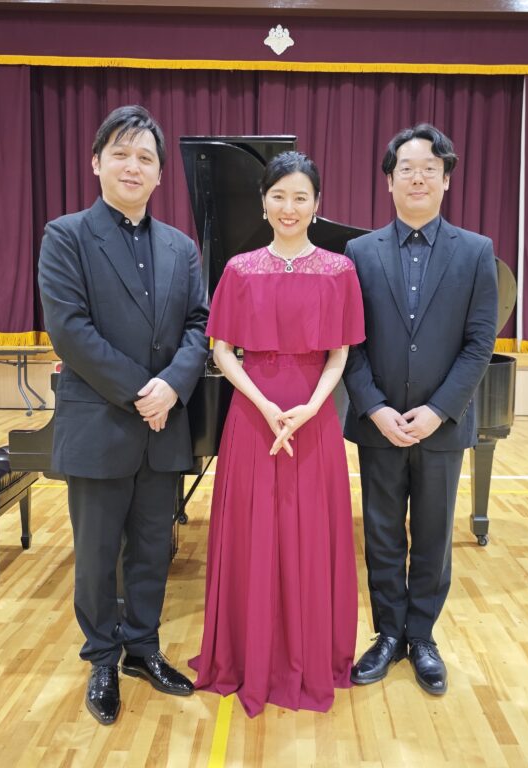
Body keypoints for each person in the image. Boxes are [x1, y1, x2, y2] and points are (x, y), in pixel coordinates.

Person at [38, 105, 209, 725]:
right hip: (102, 423)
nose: (132, 166)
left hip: (164, 427)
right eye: (121, 154)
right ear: (96, 163)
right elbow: (70, 330)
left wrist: (174, 386)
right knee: (96, 552)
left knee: (152, 549)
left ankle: (142, 647)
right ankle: (102, 657)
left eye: (145, 158)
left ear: (160, 174)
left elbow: (199, 324)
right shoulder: (66, 236)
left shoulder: (181, 247)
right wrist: (146, 391)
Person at [189, 151, 365, 717]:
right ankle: (248, 655)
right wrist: (264, 404)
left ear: (317, 204)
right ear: (263, 202)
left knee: (311, 534)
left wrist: (310, 407)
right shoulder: (239, 269)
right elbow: (222, 350)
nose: (289, 207)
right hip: (252, 414)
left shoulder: (340, 271)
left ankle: (309, 655)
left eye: (300, 197)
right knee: (252, 534)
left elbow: (339, 354)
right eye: (279, 196)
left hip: (314, 418)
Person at [343, 124, 498, 696]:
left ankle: (422, 636)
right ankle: (387, 634)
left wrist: (438, 409)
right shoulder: (359, 253)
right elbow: (350, 343)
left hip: (442, 425)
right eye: (405, 169)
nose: (417, 178)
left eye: (429, 169)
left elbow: (479, 344)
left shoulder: (476, 252)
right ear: (389, 181)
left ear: (446, 180)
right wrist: (374, 407)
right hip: (380, 425)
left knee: (433, 537)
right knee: (382, 535)